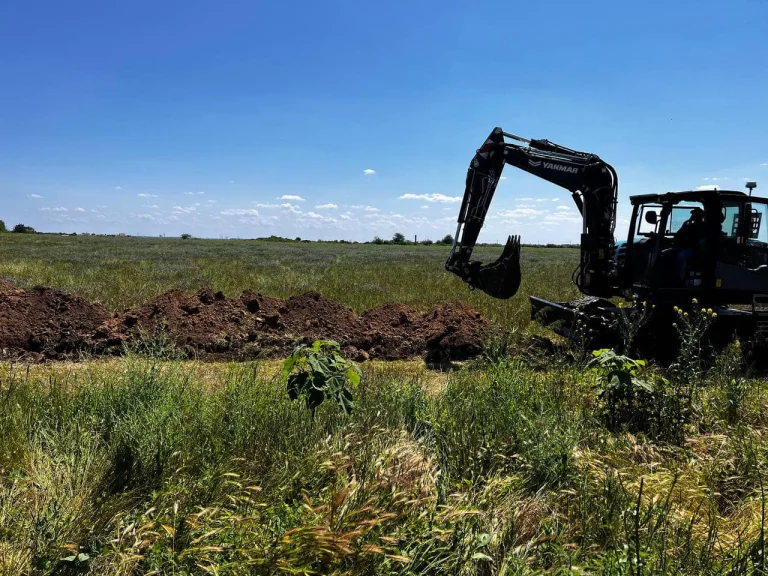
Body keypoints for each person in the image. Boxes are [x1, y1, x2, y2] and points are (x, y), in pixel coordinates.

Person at [672, 207, 706, 283]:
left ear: (700, 216)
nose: (693, 216)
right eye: (693, 214)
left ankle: (680, 278)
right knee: (668, 253)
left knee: (681, 256)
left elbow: (700, 240)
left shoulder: (703, 226)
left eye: (695, 214)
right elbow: (677, 235)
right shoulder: (688, 224)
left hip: (693, 249)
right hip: (682, 246)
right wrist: (685, 226)